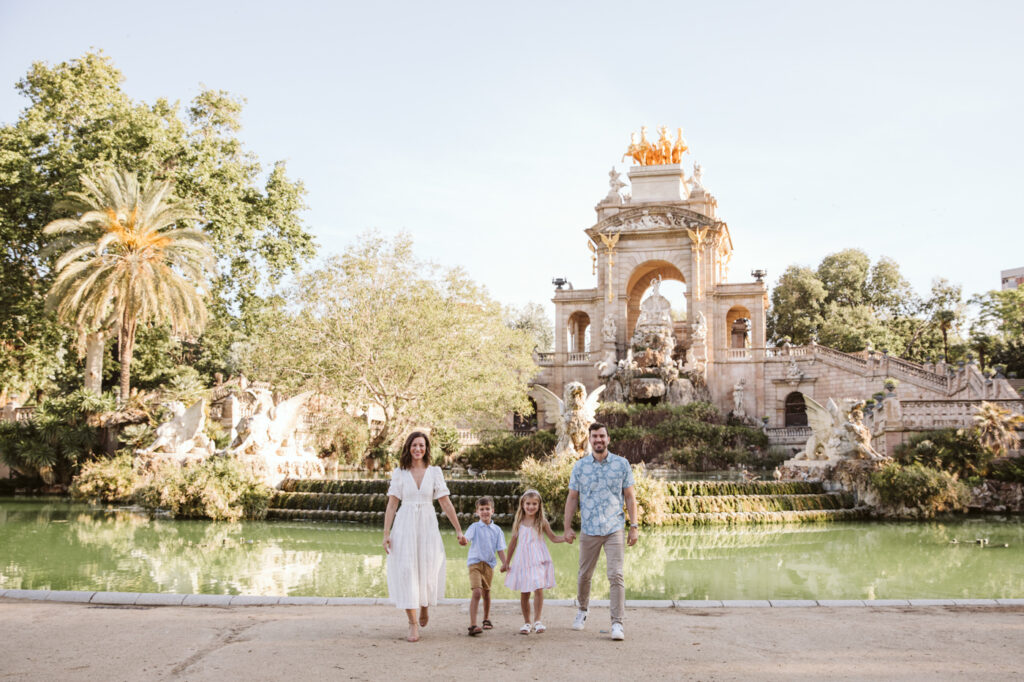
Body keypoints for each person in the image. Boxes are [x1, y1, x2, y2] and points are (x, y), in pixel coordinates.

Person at [382, 431, 467, 642]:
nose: (418, 449)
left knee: (428, 568)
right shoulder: (399, 473)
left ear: (426, 448)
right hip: (405, 526)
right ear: (408, 448)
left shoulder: (435, 472)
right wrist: (386, 534)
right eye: (414, 445)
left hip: (428, 525)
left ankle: (424, 605)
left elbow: (445, 502)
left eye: (421, 445)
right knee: (406, 570)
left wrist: (458, 529)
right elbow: (392, 504)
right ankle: (412, 624)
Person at [563, 422, 639, 641]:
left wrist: (634, 526)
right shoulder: (580, 467)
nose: (598, 440)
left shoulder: (622, 464)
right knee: (584, 575)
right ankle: (583, 610)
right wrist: (567, 527)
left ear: (608, 439)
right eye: (595, 436)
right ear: (590, 439)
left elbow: (630, 497)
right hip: (589, 529)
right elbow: (572, 498)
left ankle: (617, 623)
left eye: (602, 436)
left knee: (616, 575)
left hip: (614, 527)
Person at [500, 489, 567, 635]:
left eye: (534, 504)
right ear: (522, 504)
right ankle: (526, 622)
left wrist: (565, 538)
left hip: (538, 559)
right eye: (528, 503)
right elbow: (512, 543)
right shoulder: (519, 522)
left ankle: (537, 620)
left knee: (538, 588)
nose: (531, 507)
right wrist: (506, 562)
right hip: (522, 560)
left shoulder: (541, 522)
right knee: (525, 591)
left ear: (539, 505)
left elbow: (554, 538)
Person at [464, 496, 508, 636]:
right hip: (475, 564)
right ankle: (472, 624)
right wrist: (463, 540)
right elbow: (467, 538)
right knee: (477, 592)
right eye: (481, 509)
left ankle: (486, 619)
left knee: (487, 593)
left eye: (487, 509)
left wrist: (505, 563)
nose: (484, 512)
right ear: (477, 512)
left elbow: (500, 549)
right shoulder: (474, 527)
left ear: (493, 511)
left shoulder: (497, 530)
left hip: (488, 565)